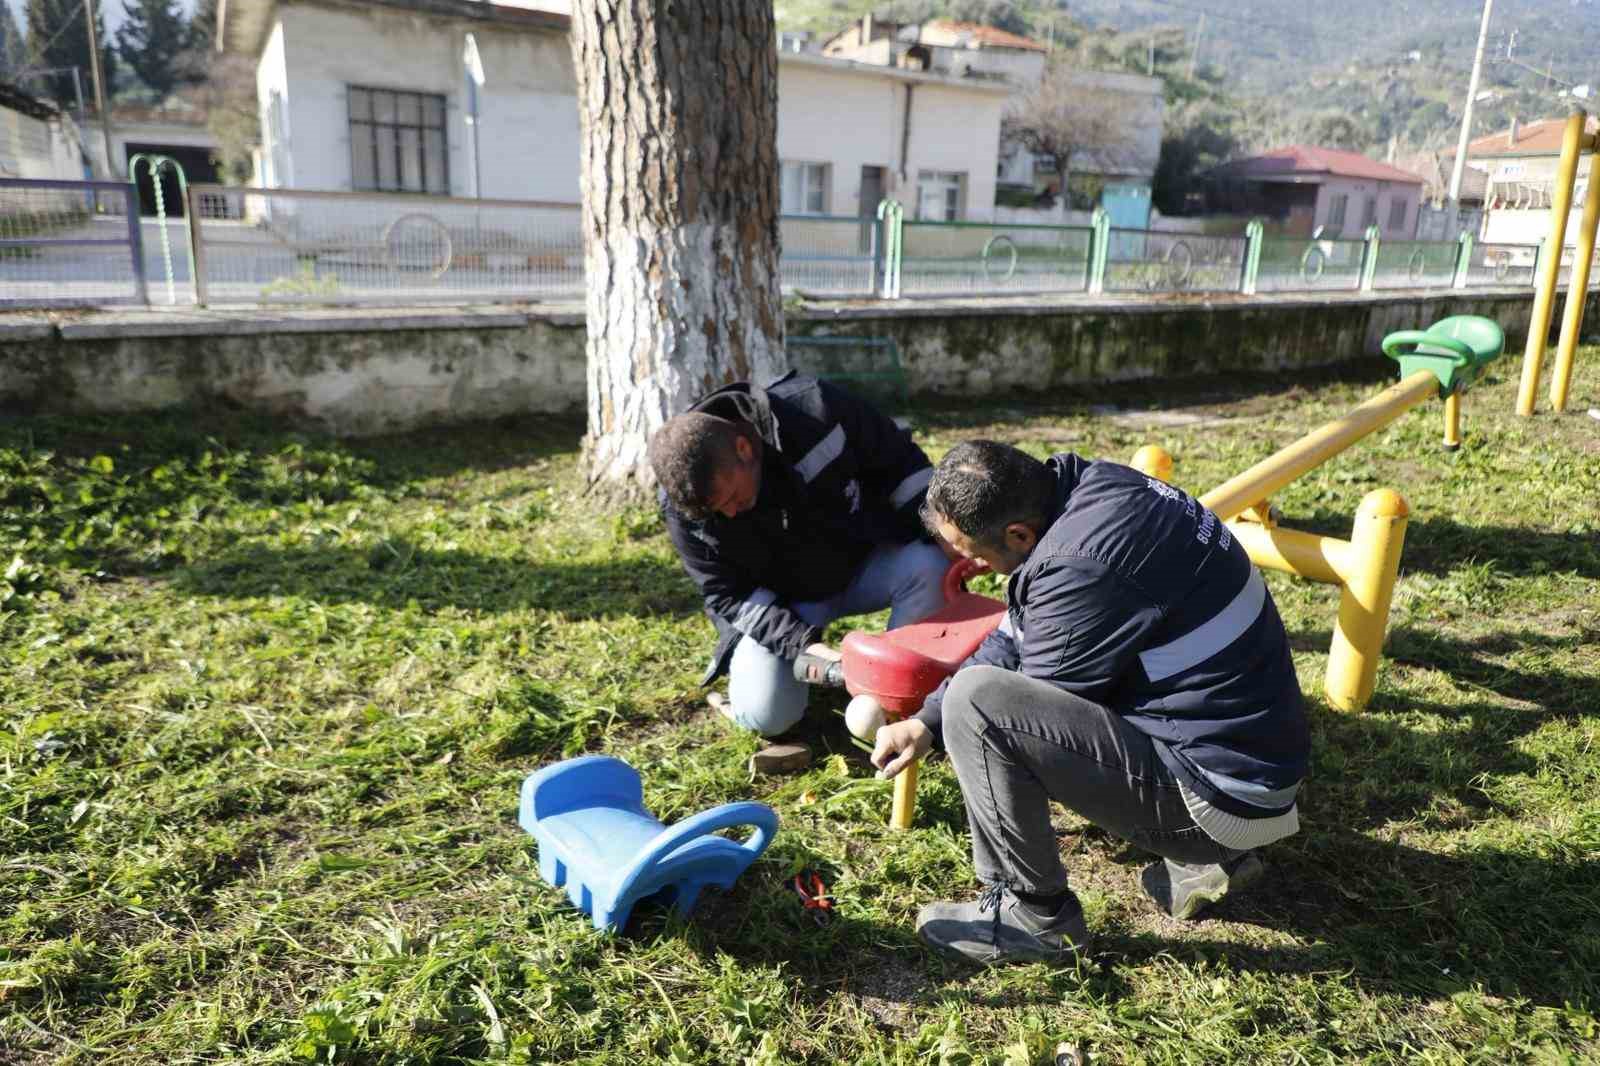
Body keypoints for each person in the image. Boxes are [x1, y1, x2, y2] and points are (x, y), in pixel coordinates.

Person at [870, 441, 1309, 966]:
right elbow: (1017, 632)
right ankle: (1220, 855)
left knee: (980, 705)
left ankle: (1034, 916)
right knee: (974, 699)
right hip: (1259, 763)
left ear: (1018, 534)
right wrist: (927, 721)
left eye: (975, 556)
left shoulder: (1079, 565)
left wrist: (955, 712)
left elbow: (1018, 717)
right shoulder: (1092, 489)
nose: (979, 569)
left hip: (1220, 801)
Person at [649, 372, 951, 737]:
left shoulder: (814, 409)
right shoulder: (684, 508)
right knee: (767, 716)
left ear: (744, 448)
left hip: (866, 563)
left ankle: (904, 684)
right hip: (786, 604)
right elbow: (728, 594)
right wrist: (805, 645)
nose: (728, 514)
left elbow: (902, 467)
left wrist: (945, 534)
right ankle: (781, 692)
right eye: (717, 511)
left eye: (730, 498)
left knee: (930, 563)